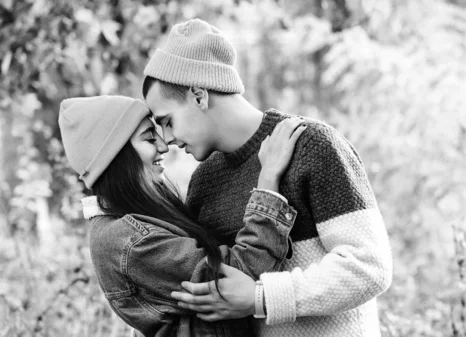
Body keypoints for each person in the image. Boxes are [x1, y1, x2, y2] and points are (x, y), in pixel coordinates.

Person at [142, 19, 393, 336]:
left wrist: (260, 298)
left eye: (167, 121)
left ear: (198, 95)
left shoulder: (312, 145)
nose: (167, 140)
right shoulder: (203, 183)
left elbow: (370, 267)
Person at [58, 95, 306, 337]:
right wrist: (268, 180)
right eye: (149, 137)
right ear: (117, 156)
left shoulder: (134, 219)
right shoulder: (128, 242)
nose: (164, 145)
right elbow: (239, 275)